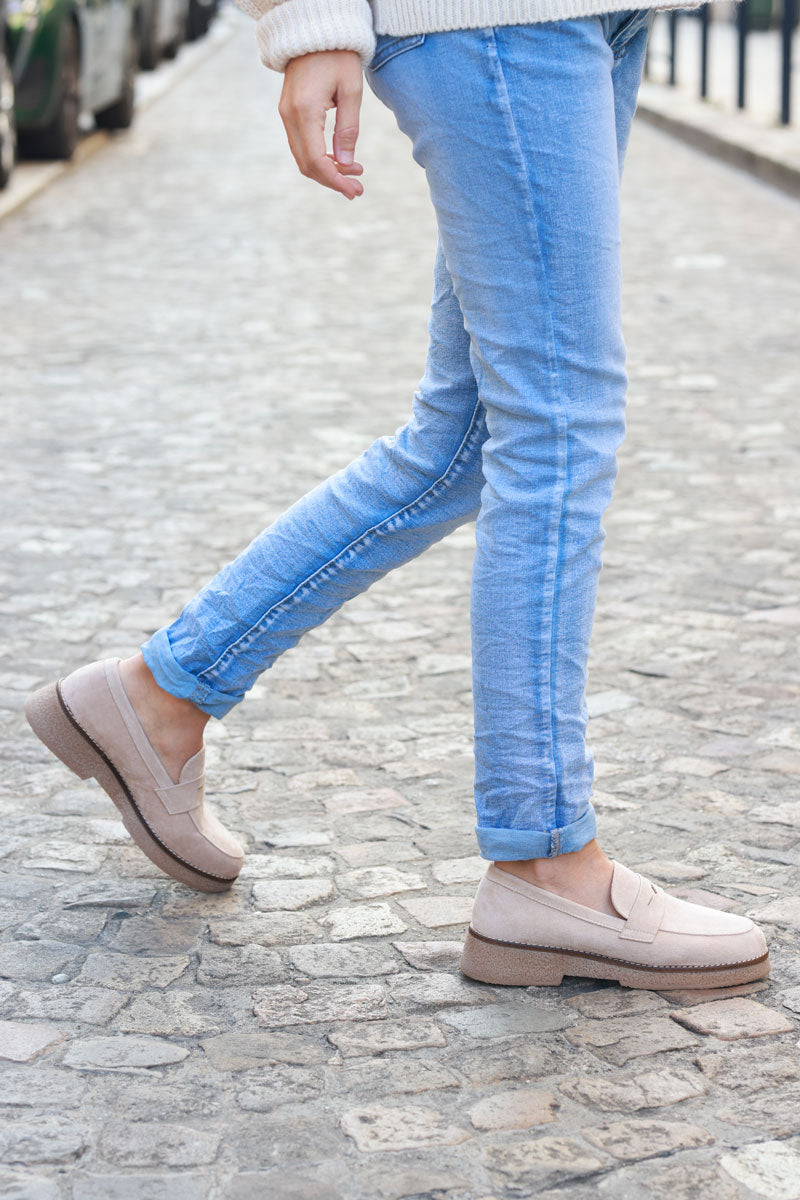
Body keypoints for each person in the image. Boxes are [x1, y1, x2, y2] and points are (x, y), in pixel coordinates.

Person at [26, 0, 770, 991]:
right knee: (555, 428)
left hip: (587, 18)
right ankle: (546, 861)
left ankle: (156, 697)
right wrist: (309, 12)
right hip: (497, 21)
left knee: (461, 442)